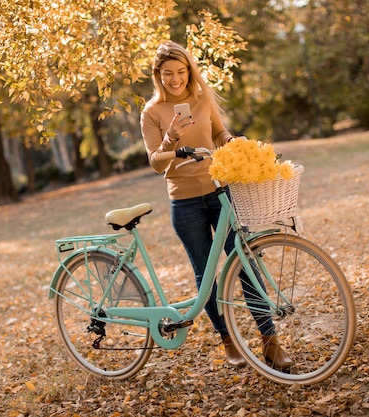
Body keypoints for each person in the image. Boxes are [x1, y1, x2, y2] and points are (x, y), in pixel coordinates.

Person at [140, 40, 293, 370]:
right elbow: (155, 161)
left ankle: (270, 341)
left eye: (181, 71)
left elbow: (220, 134)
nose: (176, 79)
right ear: (158, 75)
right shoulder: (151, 112)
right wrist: (171, 139)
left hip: (220, 193)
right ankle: (228, 340)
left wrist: (234, 143)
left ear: (189, 71)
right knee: (205, 276)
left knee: (246, 263)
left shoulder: (200, 99)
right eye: (168, 73)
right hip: (184, 201)